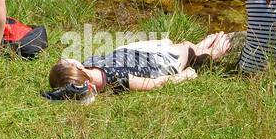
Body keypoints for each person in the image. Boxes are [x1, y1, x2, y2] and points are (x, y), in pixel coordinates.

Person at [48, 32, 232, 95]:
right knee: (187, 47)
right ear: (77, 68)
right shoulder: (116, 80)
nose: (65, 58)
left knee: (180, 45)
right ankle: (210, 52)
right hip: (157, 62)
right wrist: (184, 76)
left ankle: (199, 48)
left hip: (135, 53)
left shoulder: (88, 71)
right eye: (67, 61)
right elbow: (155, 84)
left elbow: (67, 73)